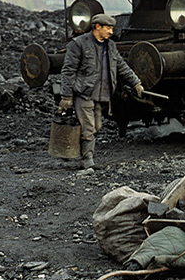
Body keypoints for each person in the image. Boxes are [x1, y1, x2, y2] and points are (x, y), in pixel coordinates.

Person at [58, 14, 143, 169]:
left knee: (97, 126)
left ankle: (71, 148)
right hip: (84, 93)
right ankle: (87, 160)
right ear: (97, 27)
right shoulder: (79, 44)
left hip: (100, 95)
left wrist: (135, 82)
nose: (111, 32)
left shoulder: (110, 46)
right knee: (89, 127)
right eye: (108, 28)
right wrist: (66, 96)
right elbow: (68, 71)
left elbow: (121, 66)